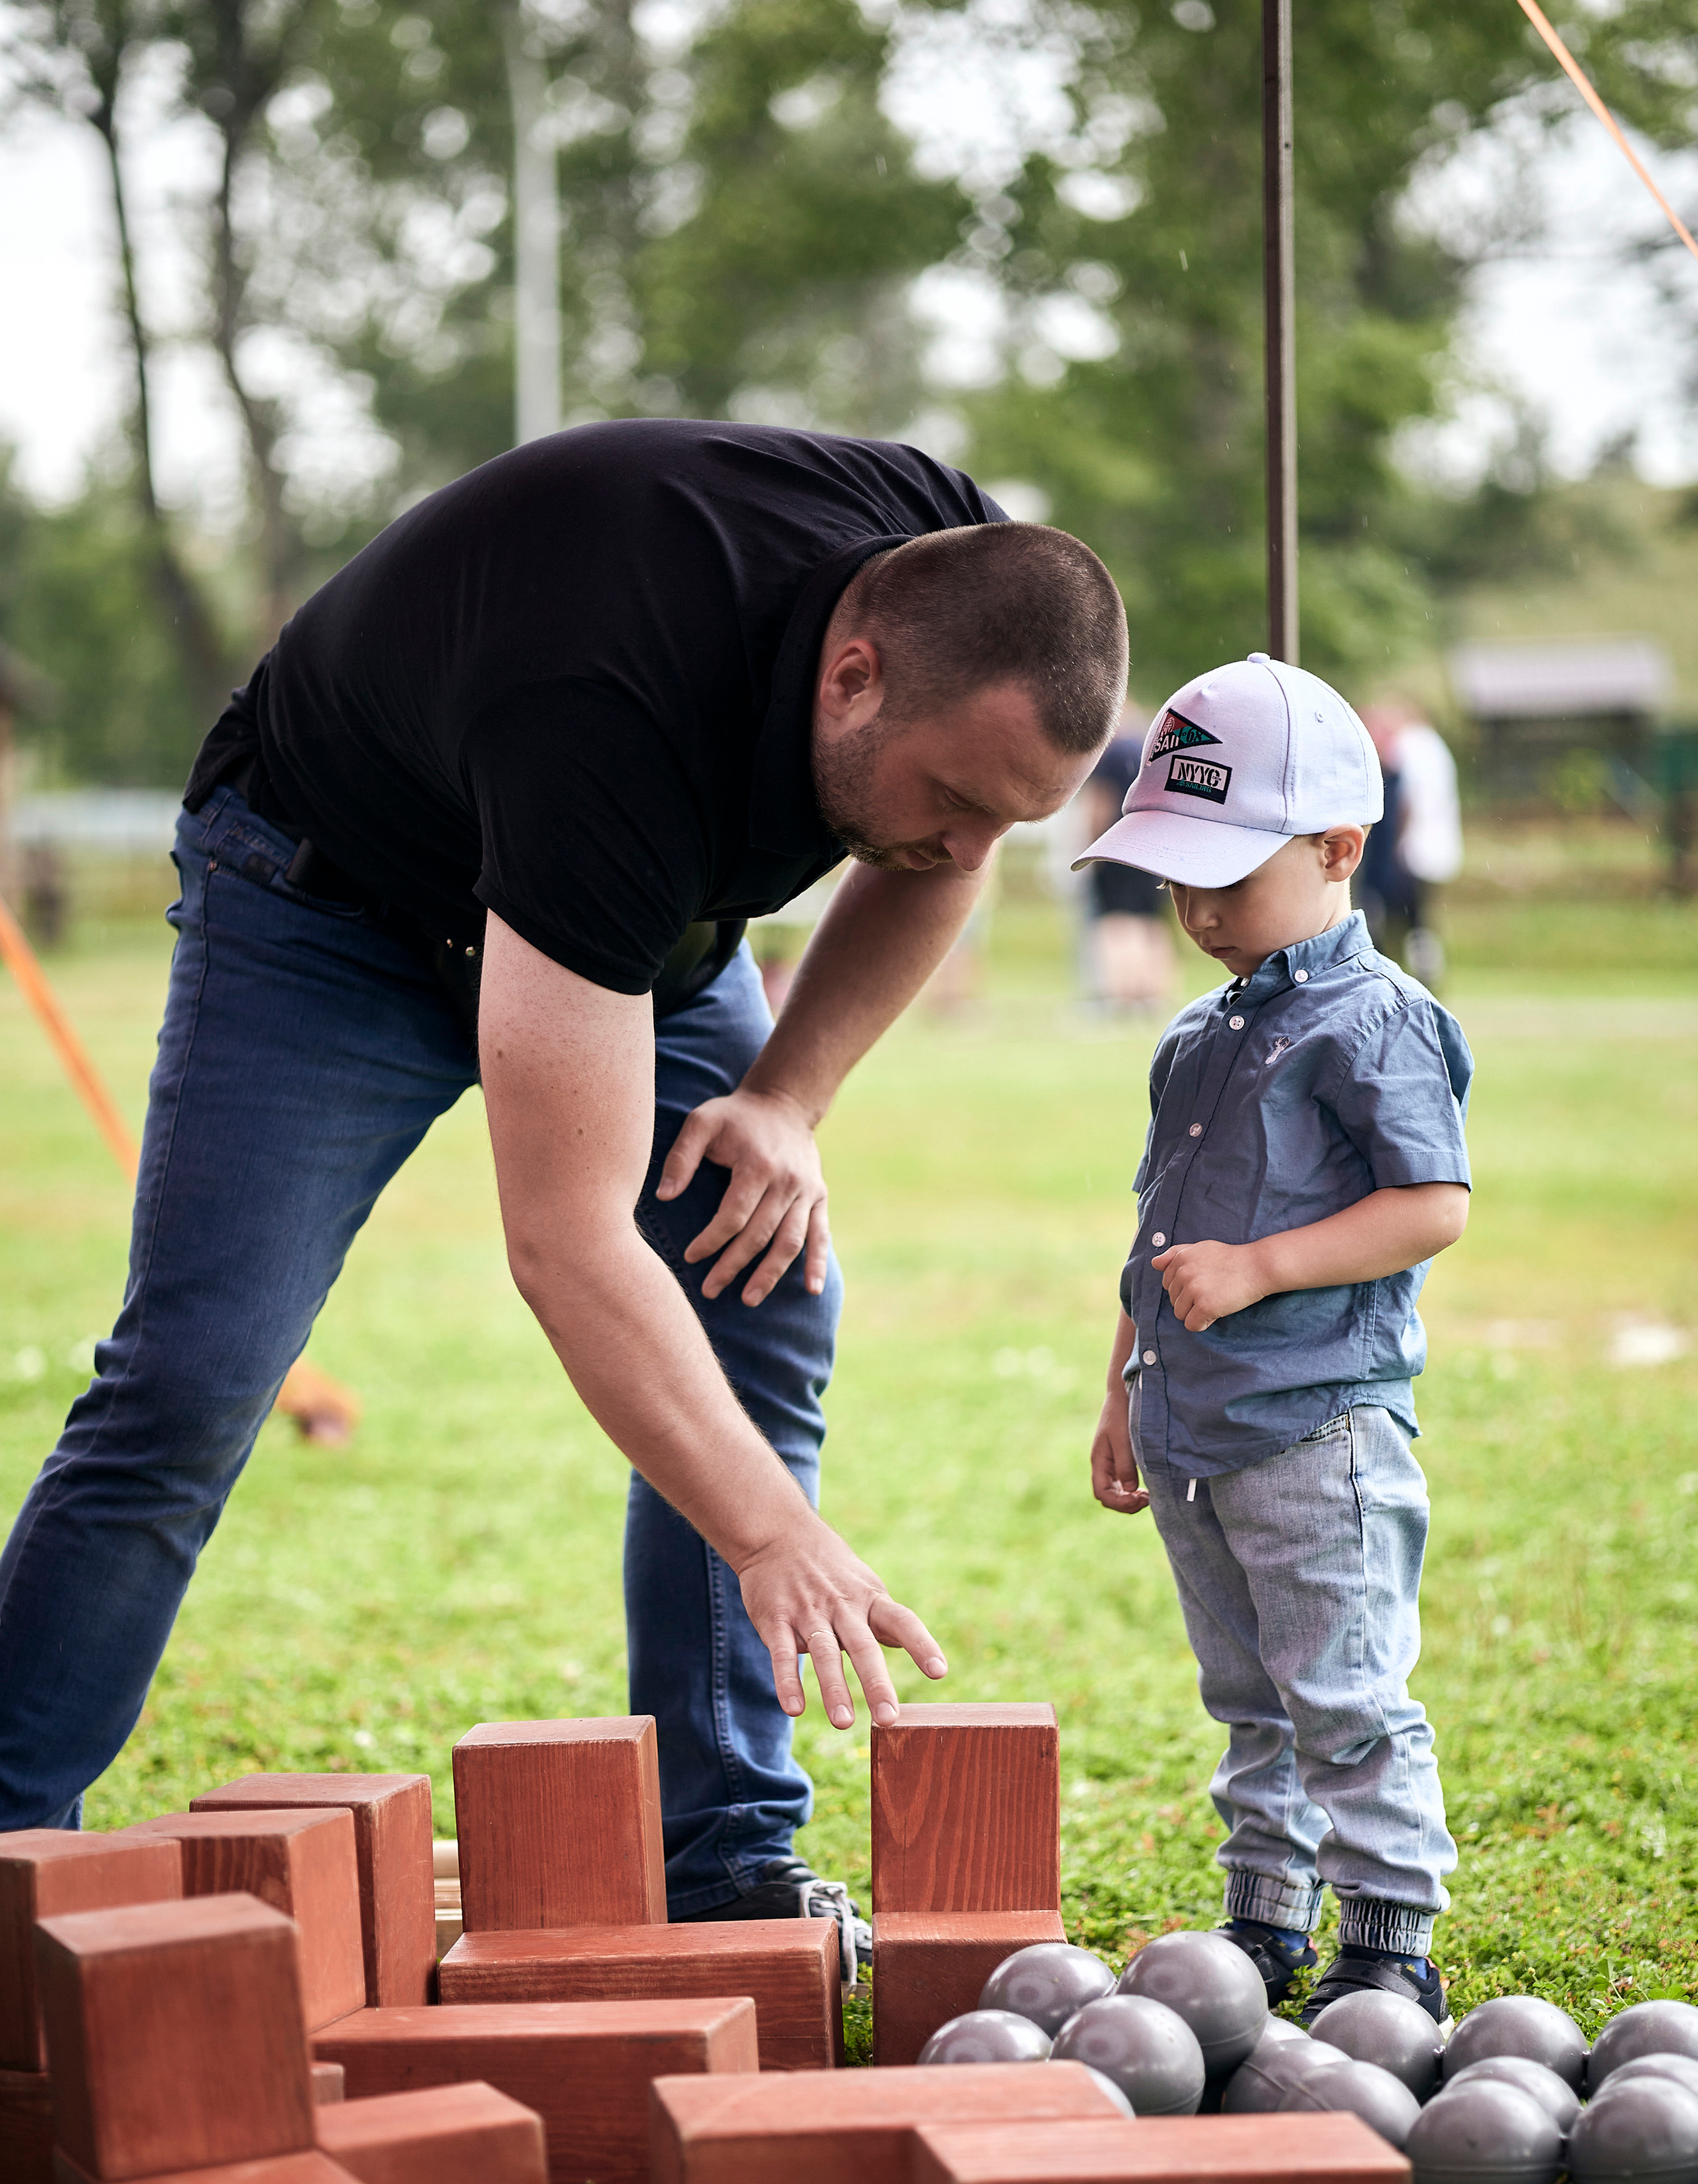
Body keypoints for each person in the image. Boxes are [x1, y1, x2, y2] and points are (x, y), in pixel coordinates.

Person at [0, 421, 1128, 1978]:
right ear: (851, 671)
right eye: (955, 797)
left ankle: (724, 1858)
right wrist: (771, 1532)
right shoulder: (606, 704)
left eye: (1012, 818)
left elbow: (927, 858)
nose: (966, 852)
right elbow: (567, 1243)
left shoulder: (955, 580)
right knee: (194, 1376)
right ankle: (6, 1831)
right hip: (329, 906)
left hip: (630, 916)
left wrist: (785, 1097)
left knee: (758, 1279)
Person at [1082, 652, 1472, 2021]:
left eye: (1224, 876)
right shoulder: (1192, 1035)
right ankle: (1265, 1915)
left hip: (1315, 1426)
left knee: (1342, 1691)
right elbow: (1152, 1235)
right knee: (1247, 1694)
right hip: (1194, 1427)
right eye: (1173, 876)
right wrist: (1124, 1386)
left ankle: (1386, 1936)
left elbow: (1429, 1206)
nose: (1191, 907)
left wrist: (1263, 1269)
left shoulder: (1376, 1023)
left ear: (1337, 849)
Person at [1078, 711, 1178, 1015]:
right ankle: (1153, 994)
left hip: (1118, 849)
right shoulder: (1154, 752)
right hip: (1153, 848)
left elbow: (1101, 805)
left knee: (1116, 922)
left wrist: (1092, 849)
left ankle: (1120, 996)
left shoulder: (1110, 755)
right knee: (1151, 923)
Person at [1359, 701, 1463, 985]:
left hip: (1406, 854)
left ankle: (1403, 977)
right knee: (1417, 922)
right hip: (1424, 853)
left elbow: (1408, 802)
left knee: (1402, 921)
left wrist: (1394, 848)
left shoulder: (1411, 746)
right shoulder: (1434, 747)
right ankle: (1422, 975)